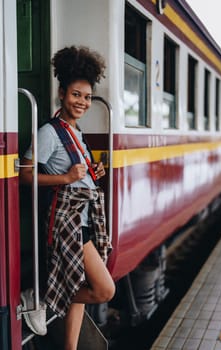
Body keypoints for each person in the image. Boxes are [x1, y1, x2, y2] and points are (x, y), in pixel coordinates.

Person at [20, 45, 115, 350]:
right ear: (61, 93)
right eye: (76, 95)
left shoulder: (75, 131)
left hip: (83, 219)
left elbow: (77, 171)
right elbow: (25, 175)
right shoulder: (50, 131)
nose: (82, 102)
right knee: (103, 290)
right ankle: (40, 295)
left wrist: (91, 172)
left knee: (82, 290)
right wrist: (66, 178)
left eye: (87, 97)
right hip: (68, 223)